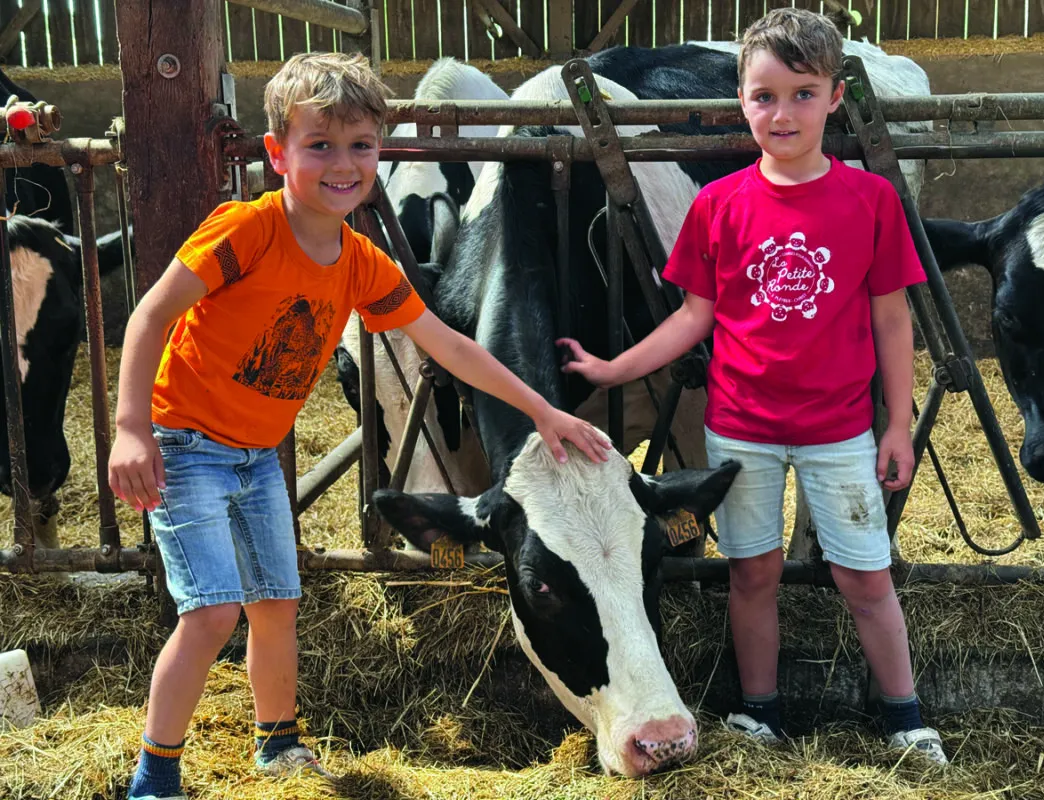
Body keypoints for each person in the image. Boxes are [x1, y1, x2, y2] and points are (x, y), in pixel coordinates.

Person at [108, 51, 612, 800]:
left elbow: (447, 346)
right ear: (278, 152)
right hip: (186, 447)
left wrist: (541, 410)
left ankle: (278, 746)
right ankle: (156, 776)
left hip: (255, 456)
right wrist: (129, 427)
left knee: (277, 604)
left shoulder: (360, 261)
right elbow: (151, 313)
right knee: (213, 613)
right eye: (320, 146)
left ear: (380, 149)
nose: (342, 165)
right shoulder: (246, 231)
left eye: (360, 146)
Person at [557, 8, 946, 765]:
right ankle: (756, 710)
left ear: (836, 97)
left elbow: (892, 321)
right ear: (740, 99)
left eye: (802, 94)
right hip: (740, 427)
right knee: (752, 572)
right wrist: (614, 368)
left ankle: (904, 716)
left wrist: (895, 425)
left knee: (864, 576)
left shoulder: (868, 201)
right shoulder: (718, 204)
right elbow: (693, 317)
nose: (782, 113)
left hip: (840, 430)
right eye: (764, 95)